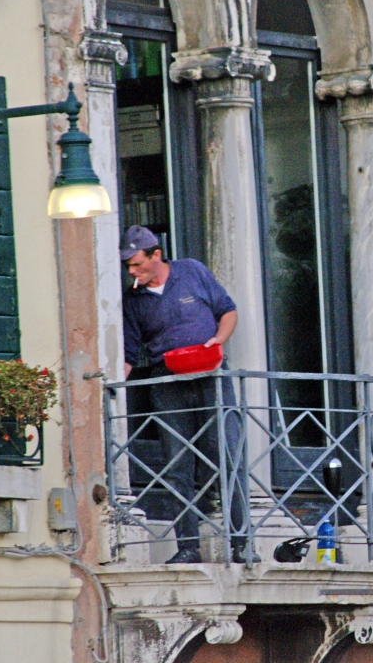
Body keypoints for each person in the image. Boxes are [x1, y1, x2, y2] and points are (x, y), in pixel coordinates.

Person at [121, 225, 254, 564]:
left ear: (156, 255)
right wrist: (111, 390)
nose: (132, 271)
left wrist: (218, 341)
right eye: (128, 266)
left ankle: (242, 544)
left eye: (137, 264)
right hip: (167, 383)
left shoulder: (192, 271)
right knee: (177, 465)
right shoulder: (133, 299)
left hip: (212, 376)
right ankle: (188, 548)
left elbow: (228, 310)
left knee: (228, 456)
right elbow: (129, 354)